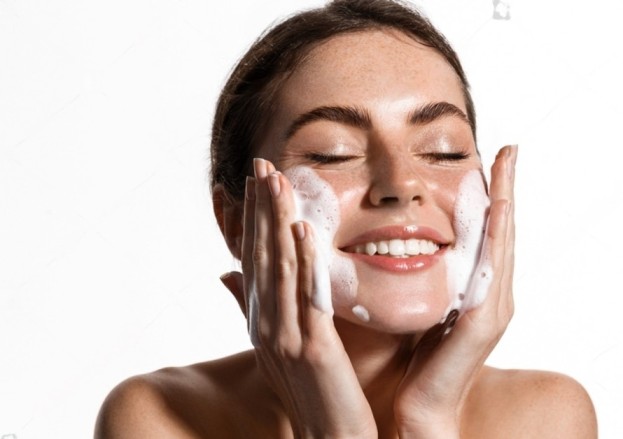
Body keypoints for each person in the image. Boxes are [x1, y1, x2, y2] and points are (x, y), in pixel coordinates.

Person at [95, 0, 597, 437]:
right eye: (332, 154)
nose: (401, 185)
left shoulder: (547, 417)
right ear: (238, 222)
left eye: (443, 151)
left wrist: (428, 421)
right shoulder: (159, 418)